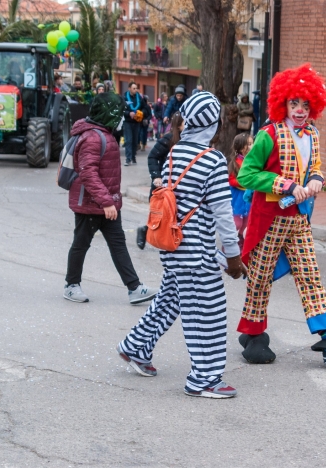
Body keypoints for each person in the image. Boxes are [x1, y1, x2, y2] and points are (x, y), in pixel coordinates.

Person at [236, 64, 326, 365]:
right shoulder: (268, 134)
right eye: (294, 103)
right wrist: (283, 184)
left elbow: (316, 168)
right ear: (282, 103)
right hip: (268, 219)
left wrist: (316, 180)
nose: (299, 110)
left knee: (310, 275)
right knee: (259, 279)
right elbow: (246, 175)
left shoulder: (312, 133)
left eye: (305, 104)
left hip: (298, 220)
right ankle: (254, 333)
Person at [117, 92, 247, 399]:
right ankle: (204, 379)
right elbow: (224, 217)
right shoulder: (212, 160)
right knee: (207, 312)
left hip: (171, 246)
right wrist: (232, 258)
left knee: (171, 299)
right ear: (213, 126)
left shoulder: (174, 154)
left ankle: (136, 347)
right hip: (196, 253)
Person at [63, 92, 158, 305]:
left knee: (118, 246)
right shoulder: (93, 137)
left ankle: (134, 288)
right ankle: (71, 285)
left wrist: (110, 201)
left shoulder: (103, 134)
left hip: (108, 204)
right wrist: (106, 201)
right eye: (119, 112)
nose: (122, 117)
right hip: (92, 204)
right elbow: (88, 172)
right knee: (81, 244)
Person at [135, 112, 185, 250]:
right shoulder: (169, 139)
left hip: (176, 184)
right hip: (162, 185)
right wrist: (156, 176)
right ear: (178, 124)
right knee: (159, 216)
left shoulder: (187, 140)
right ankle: (145, 230)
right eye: (184, 122)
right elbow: (152, 157)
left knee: (170, 216)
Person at [227, 133, 253, 249]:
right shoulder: (235, 162)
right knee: (237, 222)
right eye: (248, 144)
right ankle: (230, 242)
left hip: (249, 195)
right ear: (241, 147)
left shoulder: (253, 161)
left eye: (252, 143)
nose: (251, 146)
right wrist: (245, 182)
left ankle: (240, 240)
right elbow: (231, 180)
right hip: (237, 196)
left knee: (247, 222)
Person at [123, 82, 149, 166]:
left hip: (137, 122)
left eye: (136, 88)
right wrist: (128, 113)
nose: (135, 90)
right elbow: (121, 110)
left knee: (135, 141)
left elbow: (146, 108)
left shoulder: (139, 98)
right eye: (134, 88)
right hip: (127, 122)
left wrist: (141, 112)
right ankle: (128, 159)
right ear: (129, 88)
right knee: (128, 140)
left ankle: (133, 157)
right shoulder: (124, 97)